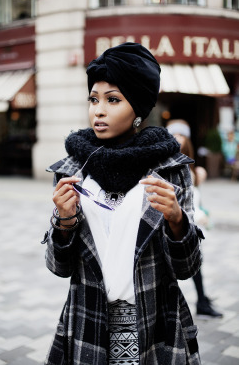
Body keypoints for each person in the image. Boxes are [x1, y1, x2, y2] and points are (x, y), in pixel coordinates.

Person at [42, 43, 204, 365]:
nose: (98, 111)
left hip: (156, 325)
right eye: (93, 99)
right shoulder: (73, 170)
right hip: (89, 323)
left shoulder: (170, 170)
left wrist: (176, 220)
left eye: (112, 100)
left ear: (138, 110)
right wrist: (64, 221)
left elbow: (187, 268)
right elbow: (59, 268)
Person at [167, 119, 223, 319]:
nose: (178, 139)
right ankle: (200, 301)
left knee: (196, 262)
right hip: (180, 224)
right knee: (185, 264)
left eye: (181, 135)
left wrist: (203, 214)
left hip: (195, 224)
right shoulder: (167, 167)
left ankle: (202, 300)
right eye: (173, 135)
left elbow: (196, 199)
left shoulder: (194, 170)